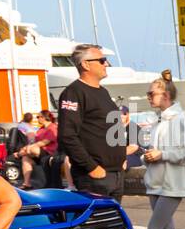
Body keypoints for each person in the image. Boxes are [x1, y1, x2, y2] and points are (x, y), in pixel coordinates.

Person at [58, 44, 139, 199]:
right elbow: (67, 136)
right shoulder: (74, 93)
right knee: (96, 222)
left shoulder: (103, 92)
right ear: (85, 64)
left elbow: (105, 128)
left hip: (115, 174)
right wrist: (92, 168)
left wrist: (121, 157)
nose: (106, 64)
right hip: (95, 177)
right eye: (102, 60)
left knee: (113, 222)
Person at [142, 71, 185, 229]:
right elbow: (155, 152)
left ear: (165, 96)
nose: (148, 97)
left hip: (171, 184)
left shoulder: (179, 120)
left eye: (151, 94)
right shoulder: (160, 120)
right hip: (158, 182)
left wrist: (161, 155)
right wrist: (148, 157)